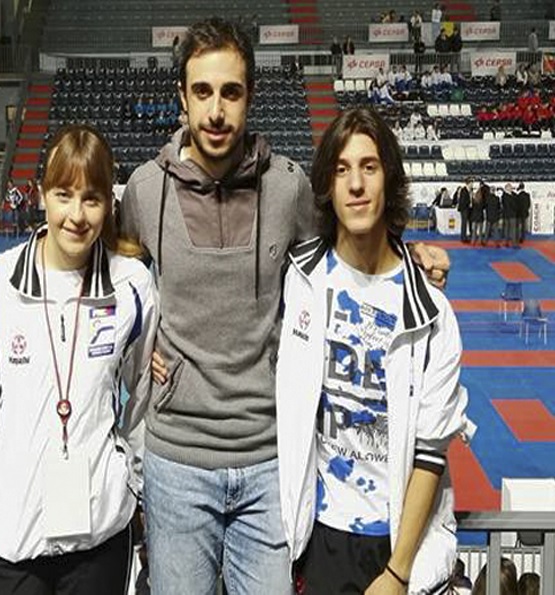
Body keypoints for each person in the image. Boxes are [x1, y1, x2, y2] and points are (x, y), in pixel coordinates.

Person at [120, 18, 450, 595]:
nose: (216, 111)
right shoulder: (147, 190)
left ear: (250, 96)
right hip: (176, 459)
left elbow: (347, 241)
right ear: (182, 96)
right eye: (202, 92)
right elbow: (113, 282)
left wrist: (408, 250)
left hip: (272, 463)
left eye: (231, 92)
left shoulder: (289, 186)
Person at [278, 106, 468, 595]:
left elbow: (431, 452)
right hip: (319, 535)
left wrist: (399, 571)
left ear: (389, 179)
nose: (356, 184)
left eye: (369, 167)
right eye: (341, 170)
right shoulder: (299, 280)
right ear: (328, 186)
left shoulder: (432, 311)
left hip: (395, 541)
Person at [0, 124, 158, 594]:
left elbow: (144, 396)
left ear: (109, 203)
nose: (76, 214)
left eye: (91, 198)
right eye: (63, 195)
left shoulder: (132, 286)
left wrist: (128, 480)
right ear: (41, 196)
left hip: (99, 537)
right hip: (10, 538)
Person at [502, 182, 519, 247]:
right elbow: (510, 205)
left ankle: (512, 242)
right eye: (510, 187)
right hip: (509, 215)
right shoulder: (505, 196)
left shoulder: (513, 195)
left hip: (511, 214)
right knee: (509, 229)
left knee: (512, 229)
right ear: (507, 188)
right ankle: (508, 242)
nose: (512, 188)